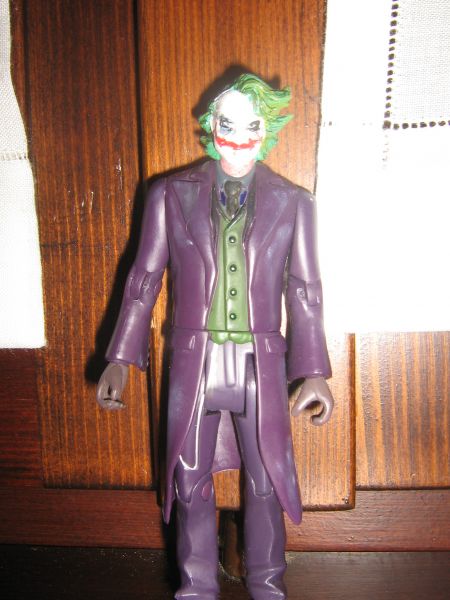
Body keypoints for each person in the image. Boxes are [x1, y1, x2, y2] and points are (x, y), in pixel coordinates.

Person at [97, 73, 334, 600]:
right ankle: (196, 586)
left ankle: (267, 583)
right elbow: (144, 279)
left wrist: (314, 370)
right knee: (188, 477)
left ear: (267, 130)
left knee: (267, 477)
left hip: (259, 364)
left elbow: (305, 290)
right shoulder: (169, 195)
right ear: (211, 126)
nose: (239, 137)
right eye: (228, 124)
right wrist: (120, 357)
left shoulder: (294, 202)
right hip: (194, 362)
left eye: (252, 126)